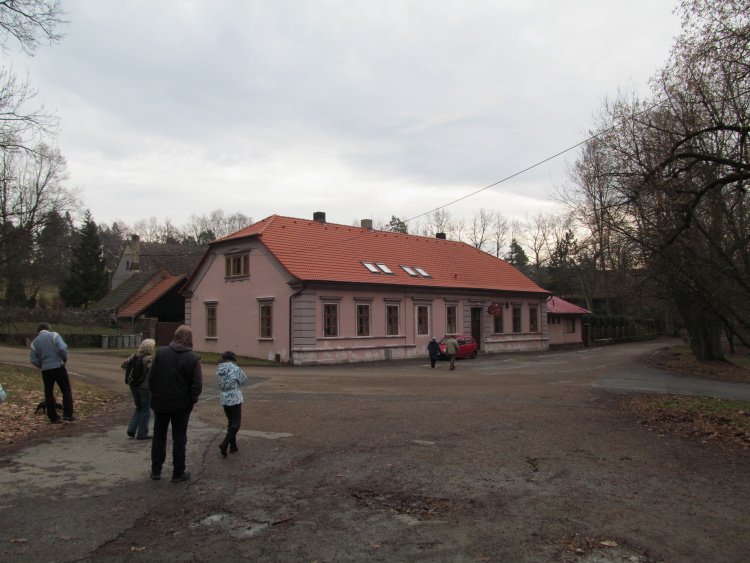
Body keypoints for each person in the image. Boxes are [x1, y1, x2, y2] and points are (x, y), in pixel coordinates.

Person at [148, 325, 202, 483]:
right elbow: (197, 384)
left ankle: (156, 469)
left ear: (175, 335)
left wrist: (155, 393)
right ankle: (178, 472)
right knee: (179, 438)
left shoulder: (161, 353)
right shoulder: (193, 358)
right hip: (181, 404)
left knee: (159, 436)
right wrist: (192, 400)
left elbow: (151, 377)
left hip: (161, 402)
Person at [30, 323, 74, 423]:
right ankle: (68, 414)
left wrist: (42, 365)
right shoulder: (54, 335)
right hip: (58, 366)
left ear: (38, 331)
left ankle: (53, 417)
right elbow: (62, 349)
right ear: (48, 328)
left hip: (45, 369)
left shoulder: (34, 342)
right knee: (66, 390)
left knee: (48, 392)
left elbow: (33, 359)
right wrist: (64, 360)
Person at [121, 338, 155, 440]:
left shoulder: (133, 357)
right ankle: (142, 433)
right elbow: (152, 373)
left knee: (138, 407)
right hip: (145, 387)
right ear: (150, 348)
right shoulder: (150, 359)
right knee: (145, 409)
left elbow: (123, 365)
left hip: (133, 385)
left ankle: (132, 429)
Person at [216, 350, 248, 457]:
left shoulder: (219, 368)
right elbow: (243, 379)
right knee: (236, 423)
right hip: (234, 397)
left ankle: (233, 446)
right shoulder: (235, 368)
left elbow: (218, 382)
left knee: (230, 422)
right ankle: (225, 443)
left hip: (224, 397)